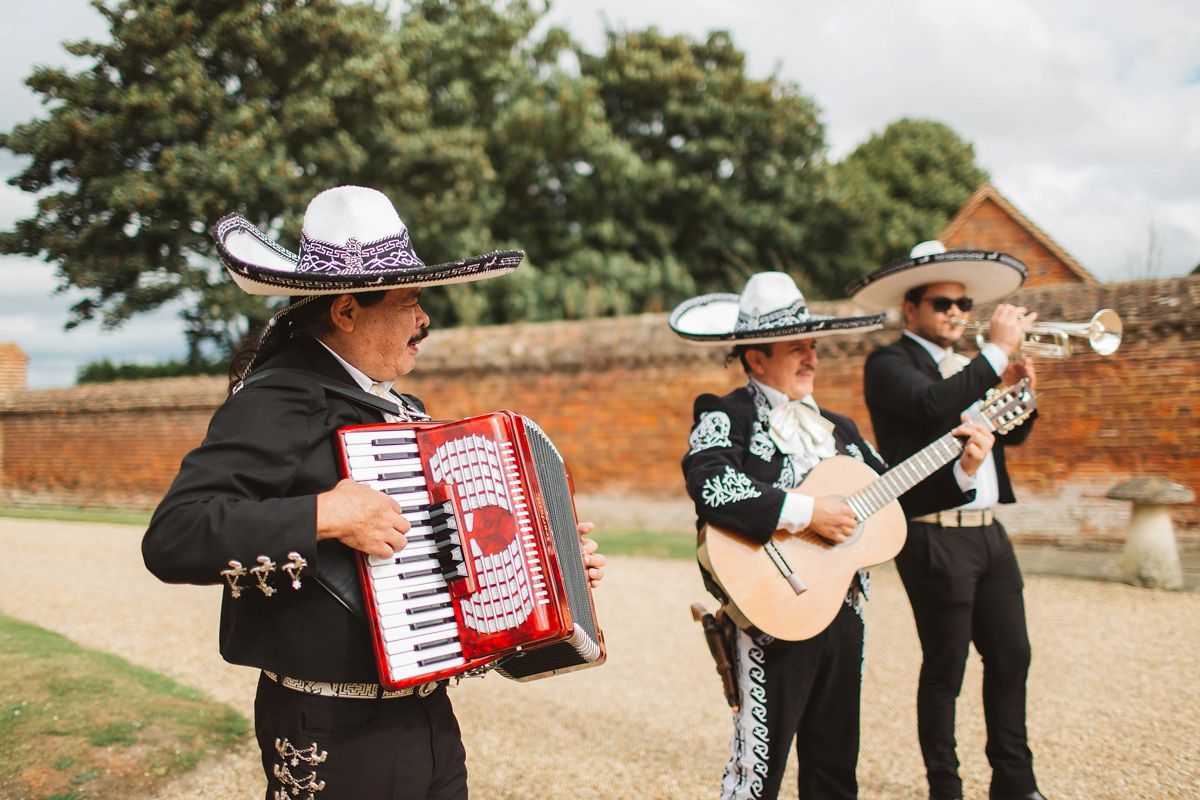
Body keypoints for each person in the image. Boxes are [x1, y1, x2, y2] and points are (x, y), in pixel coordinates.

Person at [141, 185, 606, 800]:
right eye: (410, 300)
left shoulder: (395, 410)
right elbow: (175, 536)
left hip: (425, 714)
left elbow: (441, 562)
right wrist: (324, 515)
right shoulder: (280, 399)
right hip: (331, 729)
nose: (425, 320)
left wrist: (544, 567)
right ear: (347, 311)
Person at [672, 271, 996, 800]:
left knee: (835, 767)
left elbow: (893, 497)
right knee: (758, 772)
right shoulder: (723, 413)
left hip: (844, 612)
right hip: (772, 613)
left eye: (813, 346)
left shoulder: (839, 429)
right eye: (796, 347)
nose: (811, 358)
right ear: (757, 359)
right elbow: (708, 481)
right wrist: (805, 512)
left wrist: (960, 467)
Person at [846, 241, 1046, 800]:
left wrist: (1023, 389)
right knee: (946, 669)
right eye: (942, 304)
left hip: (989, 533)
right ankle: (946, 788)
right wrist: (996, 356)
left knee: (1012, 656)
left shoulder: (968, 366)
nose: (957, 313)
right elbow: (935, 407)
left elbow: (1018, 431)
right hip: (932, 534)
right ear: (910, 310)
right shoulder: (888, 363)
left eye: (963, 304)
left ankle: (1016, 782)